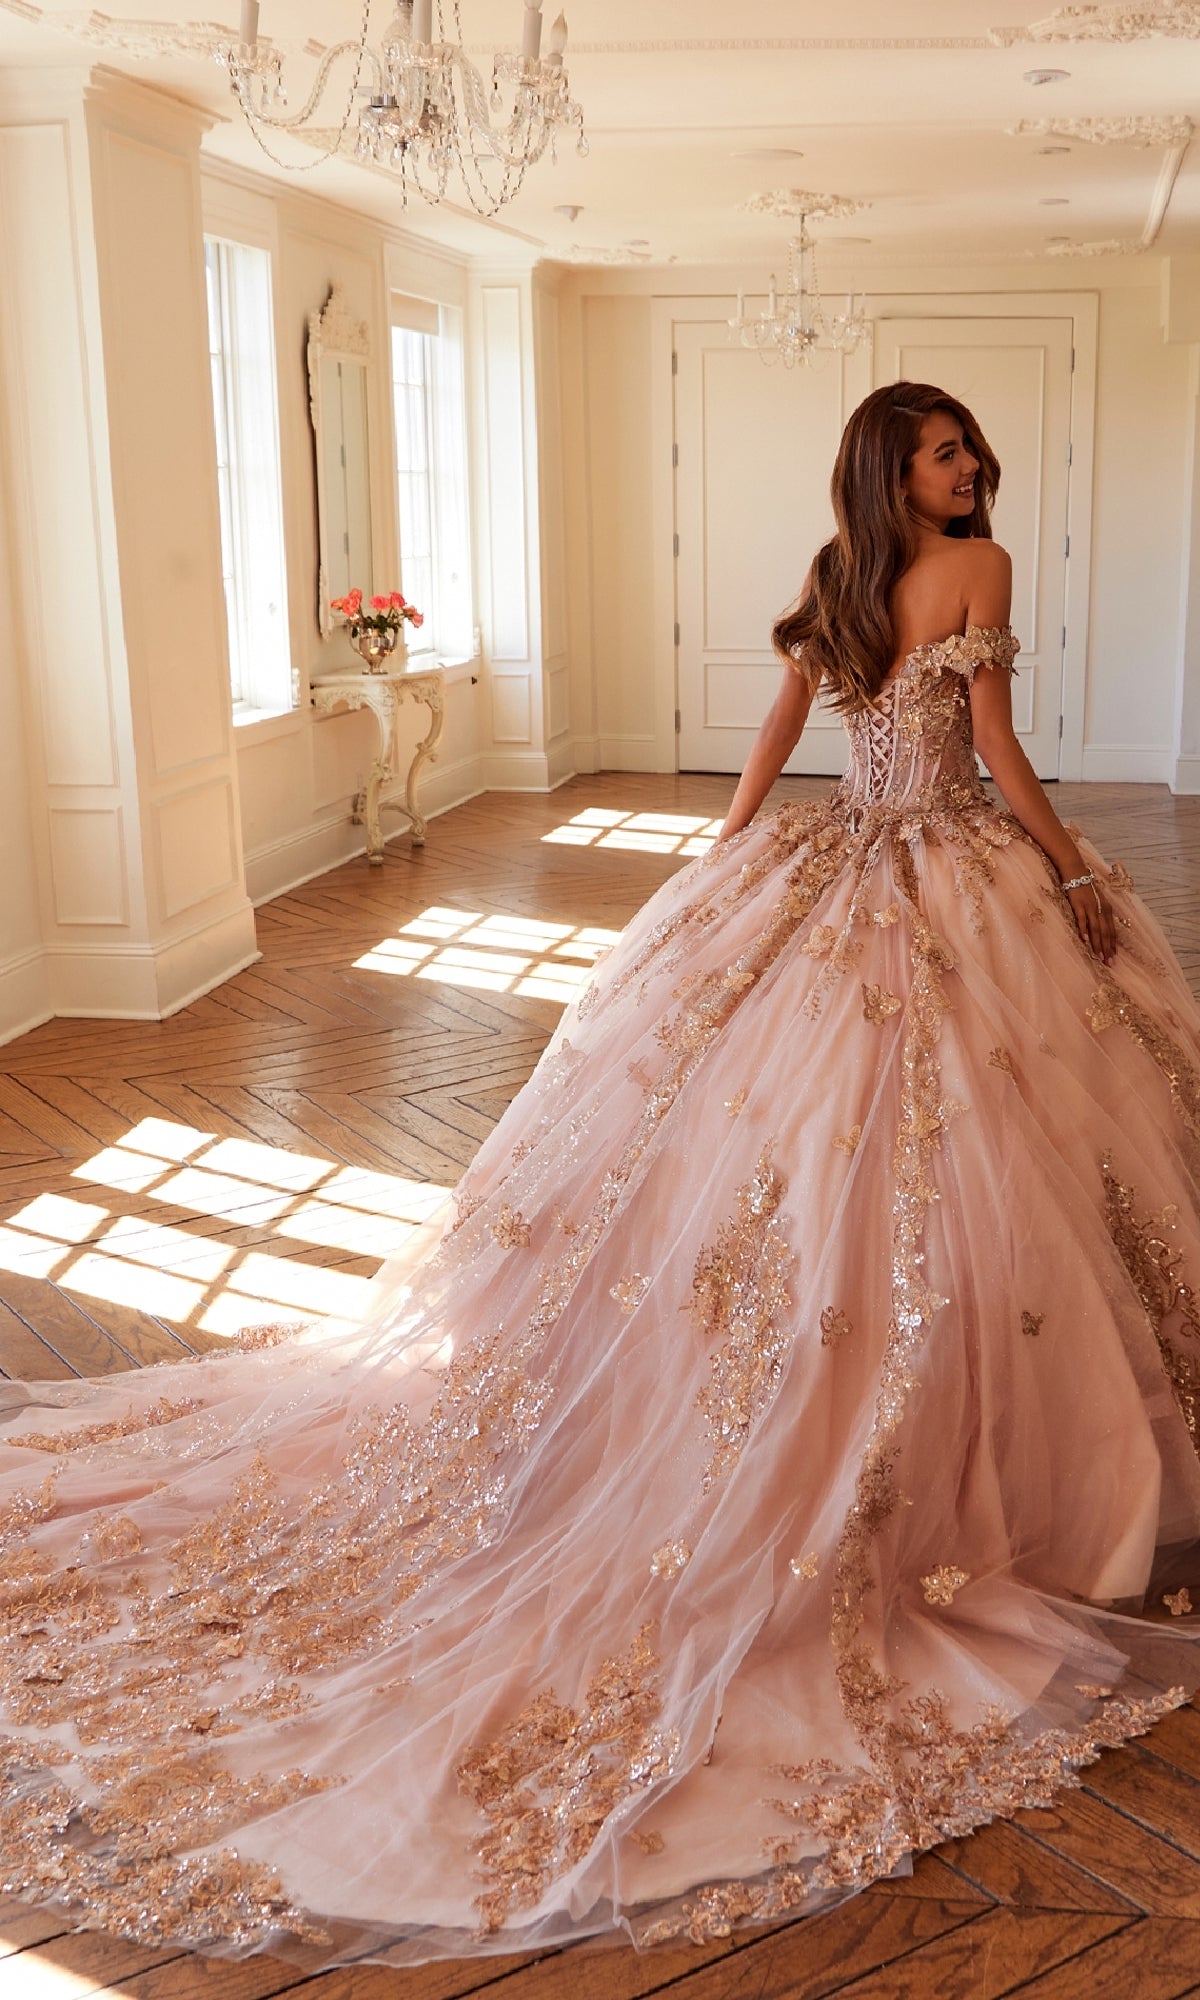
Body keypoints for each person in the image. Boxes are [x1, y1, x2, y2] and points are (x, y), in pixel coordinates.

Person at [2, 380, 1199, 1968]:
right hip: (942, 866)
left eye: (965, 447)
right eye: (939, 453)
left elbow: (784, 721)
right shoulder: (974, 573)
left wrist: (736, 854)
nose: (966, 468)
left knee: (818, 1150)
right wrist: (1068, 873)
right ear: (893, 472)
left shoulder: (843, 573)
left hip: (837, 854)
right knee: (967, 1147)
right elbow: (990, 748)